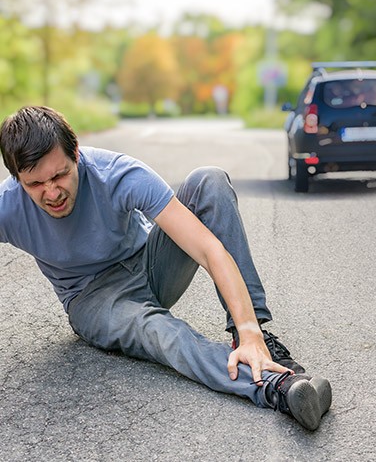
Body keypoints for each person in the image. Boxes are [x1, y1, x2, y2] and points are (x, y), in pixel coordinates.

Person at [0, 106, 332, 431]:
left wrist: (248, 330)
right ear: (17, 178)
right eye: (35, 184)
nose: (52, 192)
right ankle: (278, 387)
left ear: (76, 153)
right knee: (162, 333)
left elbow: (207, 248)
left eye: (60, 175)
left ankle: (257, 342)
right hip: (94, 298)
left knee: (208, 180)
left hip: (150, 265)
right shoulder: (8, 206)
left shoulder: (116, 174)